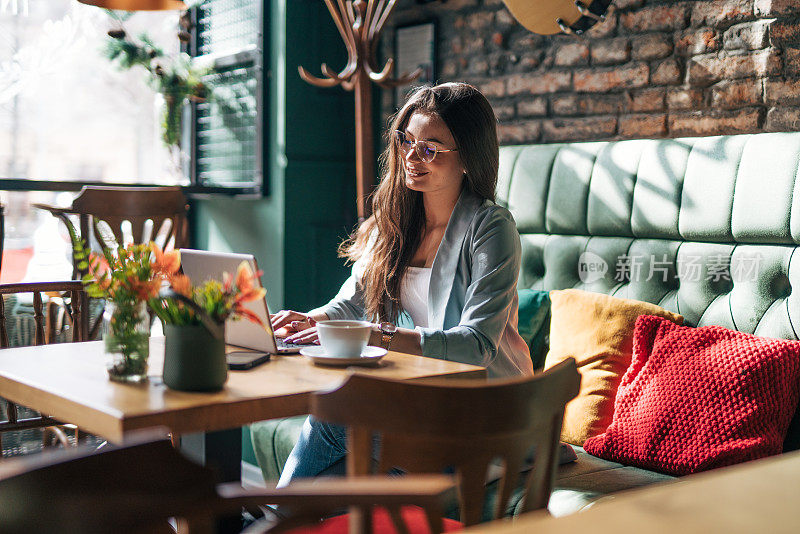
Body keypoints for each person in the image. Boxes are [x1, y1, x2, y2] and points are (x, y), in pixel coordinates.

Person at [270, 82, 533, 486]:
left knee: (334, 419)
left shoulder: (491, 228)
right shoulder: (392, 222)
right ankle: (276, 519)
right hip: (421, 402)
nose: (412, 156)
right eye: (406, 140)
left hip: (479, 412)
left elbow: (476, 346)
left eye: (430, 148)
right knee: (324, 486)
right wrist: (309, 320)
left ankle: (271, 516)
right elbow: (353, 304)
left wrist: (381, 336)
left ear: (468, 157)